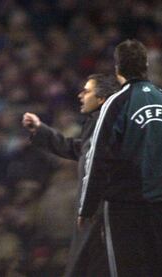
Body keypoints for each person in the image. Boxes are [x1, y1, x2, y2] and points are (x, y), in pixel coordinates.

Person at [79, 39, 162, 276]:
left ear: (117, 68)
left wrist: (87, 207)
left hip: (125, 206)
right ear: (145, 65)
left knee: (128, 270)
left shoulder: (117, 103)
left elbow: (97, 158)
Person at [22, 74, 120, 276]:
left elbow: (100, 169)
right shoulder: (96, 125)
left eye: (86, 91)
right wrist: (41, 131)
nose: (80, 95)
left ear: (101, 99)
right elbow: (78, 149)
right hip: (93, 219)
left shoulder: (110, 127)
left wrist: (88, 209)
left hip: (103, 219)